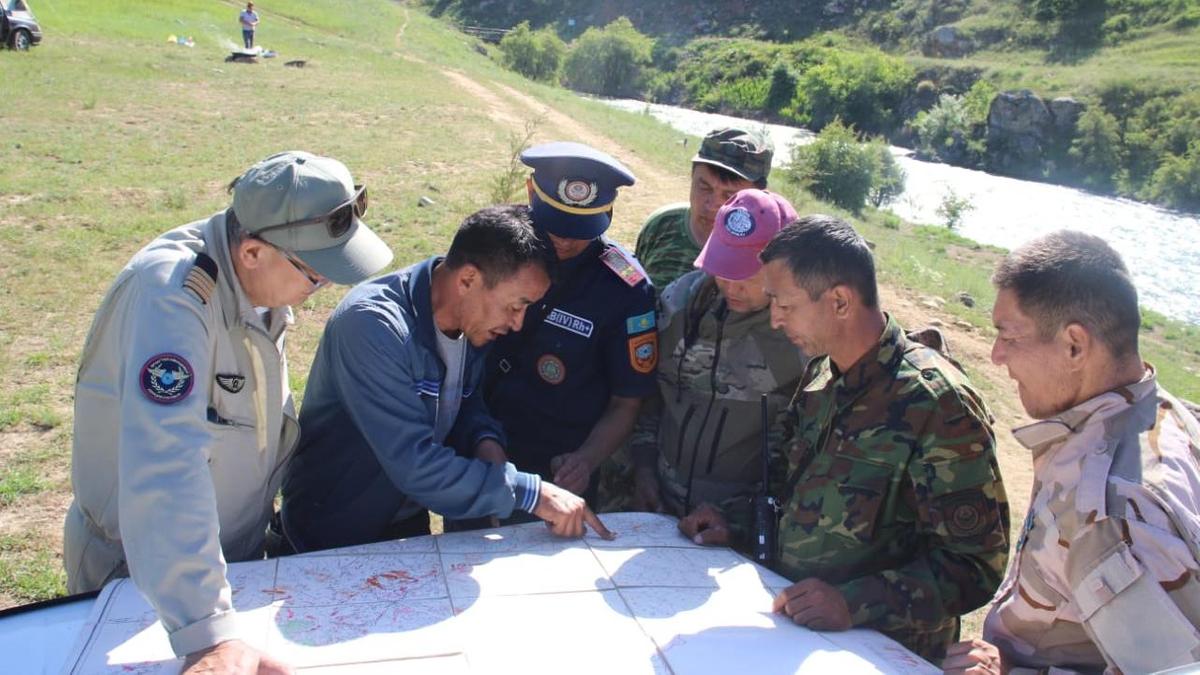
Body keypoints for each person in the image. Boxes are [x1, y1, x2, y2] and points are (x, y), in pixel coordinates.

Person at [64, 150, 394, 674]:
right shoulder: (172, 299)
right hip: (147, 578)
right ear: (253, 253)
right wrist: (208, 632)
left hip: (224, 567)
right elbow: (166, 467)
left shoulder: (258, 278)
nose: (324, 285)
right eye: (314, 273)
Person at [680, 214, 1010, 663]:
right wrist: (732, 521)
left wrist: (853, 602)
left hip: (881, 652)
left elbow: (974, 566)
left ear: (839, 301)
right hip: (794, 634)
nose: (775, 320)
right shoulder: (821, 373)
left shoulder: (935, 403)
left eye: (786, 305)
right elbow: (786, 489)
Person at [280, 205, 613, 552]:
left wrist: (486, 441)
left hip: (402, 525)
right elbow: (415, 463)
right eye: (516, 306)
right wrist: (531, 492)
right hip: (331, 536)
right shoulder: (372, 327)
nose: (518, 323)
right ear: (468, 279)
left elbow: (462, 400)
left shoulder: (469, 317)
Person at [943, 231, 1200, 675]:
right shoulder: (1158, 411)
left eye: (1009, 335)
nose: (996, 355)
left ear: (1075, 346)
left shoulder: (1111, 512)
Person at [623, 189, 808, 555]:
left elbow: (802, 461)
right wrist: (643, 468)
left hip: (739, 536)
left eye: (746, 276)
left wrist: (739, 521)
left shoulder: (802, 338)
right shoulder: (680, 304)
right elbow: (649, 396)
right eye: (723, 269)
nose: (730, 286)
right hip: (660, 514)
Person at [480, 142, 657, 511]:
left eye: (580, 229)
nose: (564, 239)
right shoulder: (493, 250)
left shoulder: (624, 289)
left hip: (558, 470)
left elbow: (627, 400)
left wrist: (585, 461)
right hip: (478, 447)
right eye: (554, 224)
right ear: (531, 191)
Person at [634, 126, 773, 289]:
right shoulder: (662, 224)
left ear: (759, 196)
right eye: (705, 187)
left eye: (730, 196)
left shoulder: (765, 254)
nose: (712, 205)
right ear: (692, 177)